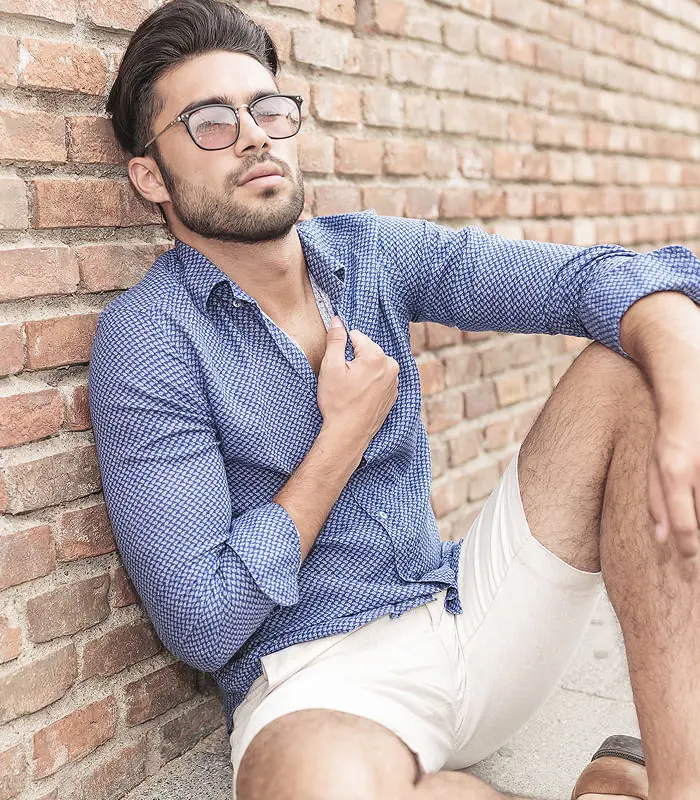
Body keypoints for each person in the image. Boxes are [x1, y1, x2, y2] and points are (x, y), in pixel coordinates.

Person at [89, 1, 700, 798]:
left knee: (634, 368)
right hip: (320, 682)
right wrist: (343, 434)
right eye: (210, 122)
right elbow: (201, 621)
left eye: (268, 109)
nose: (254, 136)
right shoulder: (149, 337)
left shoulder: (371, 254)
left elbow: (599, 282)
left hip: (467, 619)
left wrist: (685, 412)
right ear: (150, 176)